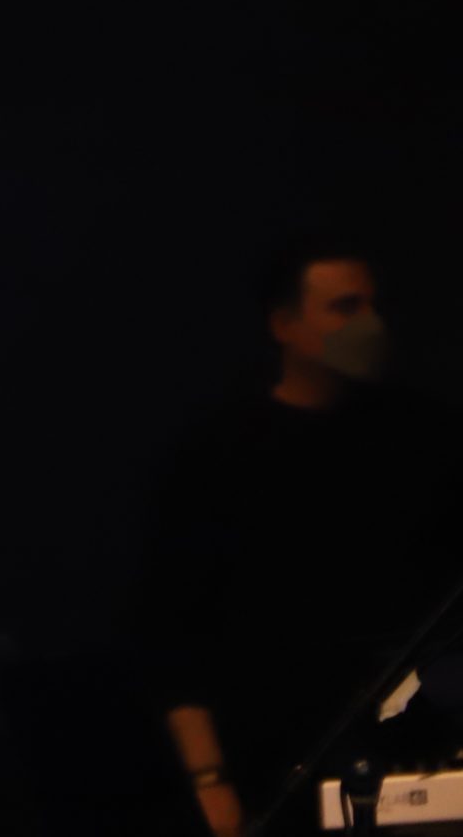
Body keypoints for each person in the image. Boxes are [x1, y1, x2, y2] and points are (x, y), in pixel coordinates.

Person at [139, 247, 463, 837]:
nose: (369, 325)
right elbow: (174, 633)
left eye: (372, 307)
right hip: (274, 771)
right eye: (345, 307)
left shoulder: (423, 440)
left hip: (411, 765)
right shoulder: (222, 454)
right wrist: (211, 783)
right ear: (283, 323)